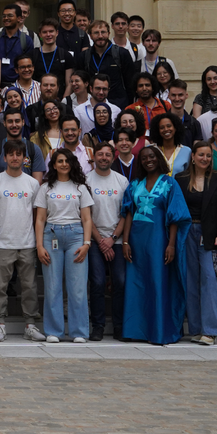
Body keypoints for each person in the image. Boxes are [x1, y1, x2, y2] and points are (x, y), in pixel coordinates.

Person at [119, 146, 190, 345]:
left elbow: (175, 216)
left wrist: (172, 244)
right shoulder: (134, 185)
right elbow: (129, 213)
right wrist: (125, 241)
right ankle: (136, 330)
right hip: (136, 240)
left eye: (151, 156)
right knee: (136, 284)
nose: (148, 160)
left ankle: (158, 331)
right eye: (143, 158)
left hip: (159, 241)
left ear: (158, 158)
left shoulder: (170, 183)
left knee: (158, 282)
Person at [0, 139, 47, 343]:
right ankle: (0, 325)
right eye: (11, 154)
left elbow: (38, 215)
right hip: (3, 243)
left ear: (25, 159)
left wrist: (37, 242)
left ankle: (30, 325)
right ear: (4, 157)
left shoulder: (32, 183)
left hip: (27, 243)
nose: (15, 157)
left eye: (19, 154)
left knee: (29, 286)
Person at [33, 149, 95, 343]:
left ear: (72, 163)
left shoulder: (80, 188)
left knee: (77, 287)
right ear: (53, 164)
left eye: (67, 161)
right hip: (51, 235)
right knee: (52, 286)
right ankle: (54, 331)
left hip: (76, 236)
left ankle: (79, 332)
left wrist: (86, 243)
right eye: (59, 161)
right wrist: (39, 246)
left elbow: (87, 219)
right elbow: (40, 219)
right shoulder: (45, 188)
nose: (63, 164)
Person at [175, 140, 217, 345]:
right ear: (193, 157)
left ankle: (211, 330)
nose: (205, 159)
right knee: (190, 280)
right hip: (187, 231)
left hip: (209, 233)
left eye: (208, 155)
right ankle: (196, 329)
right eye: (201, 155)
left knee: (209, 279)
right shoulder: (180, 179)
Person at [85, 142, 129, 341]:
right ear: (93, 157)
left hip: (116, 240)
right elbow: (85, 215)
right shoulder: (86, 180)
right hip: (94, 240)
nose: (104, 157)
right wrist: (101, 241)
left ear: (113, 157)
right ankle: (98, 325)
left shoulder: (122, 181)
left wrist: (112, 239)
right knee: (97, 282)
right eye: (100, 154)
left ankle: (119, 325)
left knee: (120, 281)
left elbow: (126, 214)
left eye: (107, 155)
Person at [74, 21, 135, 108]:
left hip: (118, 104)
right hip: (92, 106)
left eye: (103, 32)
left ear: (109, 33)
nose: (100, 36)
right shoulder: (83, 56)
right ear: (90, 36)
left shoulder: (122, 54)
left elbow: (130, 83)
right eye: (96, 33)